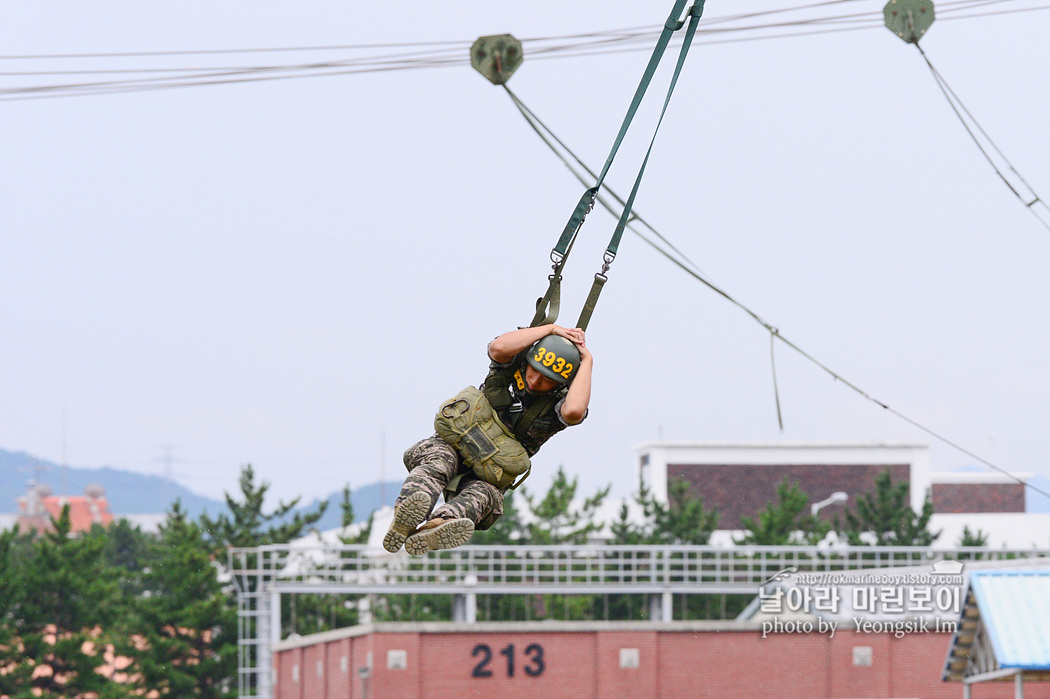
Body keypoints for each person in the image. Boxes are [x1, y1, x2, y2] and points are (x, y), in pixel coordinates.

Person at [384, 324, 592, 555]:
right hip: (453, 447)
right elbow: (498, 347)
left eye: (547, 379)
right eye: (534, 370)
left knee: (483, 496)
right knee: (438, 463)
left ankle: (439, 525)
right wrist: (550, 329)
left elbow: (574, 411)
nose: (535, 381)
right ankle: (406, 514)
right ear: (528, 362)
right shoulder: (510, 367)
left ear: (562, 383)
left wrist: (588, 361)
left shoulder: (556, 406)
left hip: (489, 476)